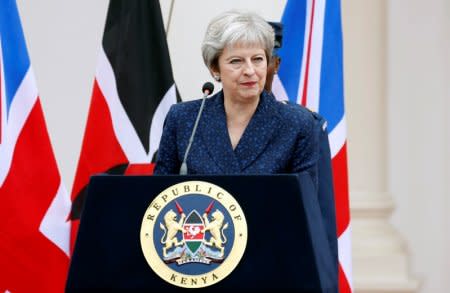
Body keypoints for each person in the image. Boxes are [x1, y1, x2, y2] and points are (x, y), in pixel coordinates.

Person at [154, 10, 319, 189]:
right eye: (236, 61)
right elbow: (160, 195)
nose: (249, 70)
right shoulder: (183, 119)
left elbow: (306, 204)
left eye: (257, 59)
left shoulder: (297, 123)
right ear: (214, 68)